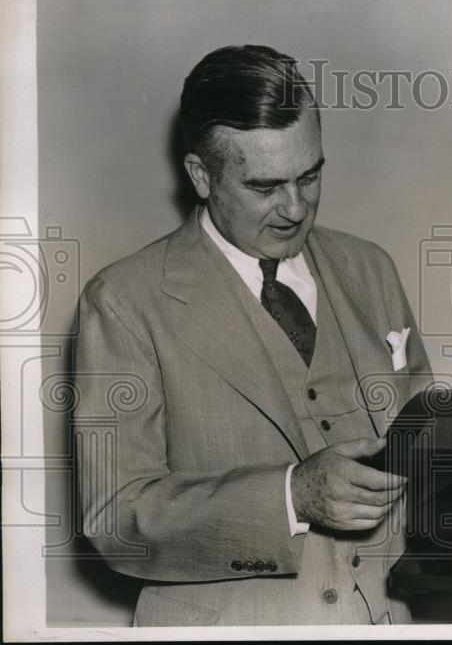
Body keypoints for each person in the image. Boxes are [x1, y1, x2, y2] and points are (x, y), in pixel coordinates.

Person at [73, 44, 431, 626]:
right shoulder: (123, 302)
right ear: (201, 176)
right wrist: (291, 498)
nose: (295, 208)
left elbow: (424, 444)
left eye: (310, 176)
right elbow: (115, 520)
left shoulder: (371, 268)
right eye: (265, 187)